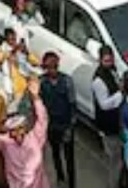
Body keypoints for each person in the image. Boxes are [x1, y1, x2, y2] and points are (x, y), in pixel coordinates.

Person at [0, 77, 49, 188]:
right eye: (13, 130)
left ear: (24, 128)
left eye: (20, 128)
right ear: (9, 132)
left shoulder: (36, 137)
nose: (17, 132)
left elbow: (42, 119)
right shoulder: (5, 143)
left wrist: (35, 97)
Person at [40, 52, 76, 188]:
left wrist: (70, 127)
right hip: (51, 126)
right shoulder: (41, 82)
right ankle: (60, 176)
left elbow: (73, 105)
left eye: (54, 67)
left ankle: (72, 183)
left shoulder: (67, 81)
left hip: (65, 124)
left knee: (69, 157)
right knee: (55, 153)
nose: (52, 70)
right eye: (49, 67)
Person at [92, 45, 125, 188]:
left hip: (117, 121)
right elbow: (104, 104)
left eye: (110, 60)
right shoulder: (98, 81)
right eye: (106, 61)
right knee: (115, 161)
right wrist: (121, 93)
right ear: (100, 60)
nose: (109, 63)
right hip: (109, 126)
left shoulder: (113, 71)